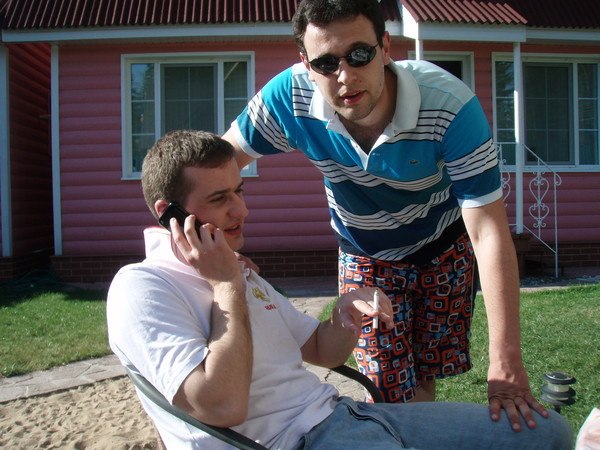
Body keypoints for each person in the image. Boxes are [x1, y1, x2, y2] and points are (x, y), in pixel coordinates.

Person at [106, 130, 572, 449]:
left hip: (348, 416)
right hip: (298, 441)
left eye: (239, 191)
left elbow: (320, 351)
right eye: (218, 199)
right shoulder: (142, 287)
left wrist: (347, 312)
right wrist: (226, 285)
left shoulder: (237, 270)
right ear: (169, 214)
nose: (240, 211)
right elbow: (221, 405)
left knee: (546, 432)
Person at [223, 0, 544, 432]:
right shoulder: (288, 98)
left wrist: (505, 362)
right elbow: (215, 165)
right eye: (326, 62)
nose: (345, 76)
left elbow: (487, 231)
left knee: (424, 373)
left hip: (443, 245)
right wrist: (212, 243)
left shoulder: (450, 106)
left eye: (359, 54)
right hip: (365, 250)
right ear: (306, 64)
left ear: (386, 47)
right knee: (387, 390)